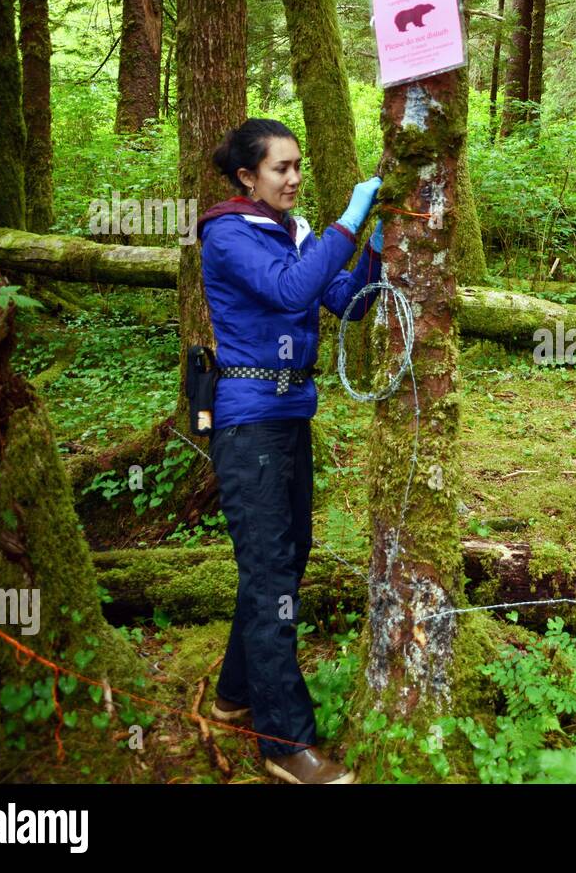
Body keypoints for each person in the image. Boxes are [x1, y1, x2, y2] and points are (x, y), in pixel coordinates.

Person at [196, 117, 384, 783]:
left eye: (298, 165)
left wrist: (376, 246)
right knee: (273, 573)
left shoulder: (296, 232)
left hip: (290, 418)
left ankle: (232, 696)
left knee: (282, 563)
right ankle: (284, 744)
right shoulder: (226, 233)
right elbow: (287, 290)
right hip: (249, 426)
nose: (295, 178)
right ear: (248, 176)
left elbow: (346, 300)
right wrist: (346, 221)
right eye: (281, 168)